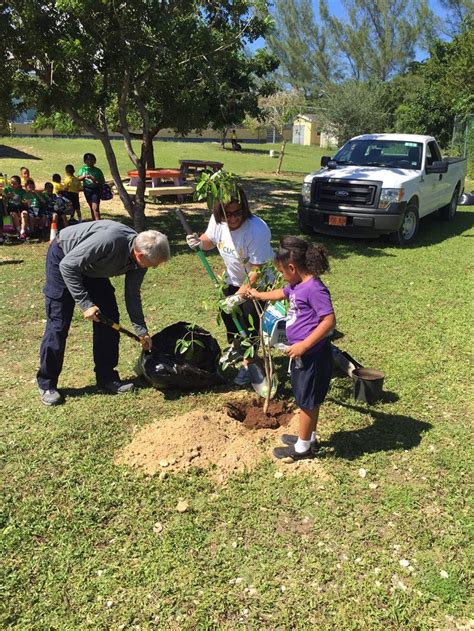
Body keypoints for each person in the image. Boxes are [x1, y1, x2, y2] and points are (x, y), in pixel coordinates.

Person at [36, 220, 170, 406]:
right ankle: (47, 383)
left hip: (93, 268)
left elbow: (132, 295)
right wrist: (85, 304)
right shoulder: (109, 240)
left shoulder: (140, 260)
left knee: (109, 319)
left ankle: (106, 378)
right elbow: (68, 266)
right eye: (152, 264)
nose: (153, 268)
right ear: (139, 255)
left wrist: (141, 331)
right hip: (64, 259)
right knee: (59, 324)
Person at [248, 237, 336, 461]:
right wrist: (258, 295)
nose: (283, 277)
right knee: (308, 399)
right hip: (303, 355)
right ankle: (309, 437)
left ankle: (302, 448)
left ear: (292, 267)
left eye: (282, 271)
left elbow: (328, 320)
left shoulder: (314, 289)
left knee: (307, 402)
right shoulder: (297, 285)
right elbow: (281, 293)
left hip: (312, 356)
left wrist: (304, 345)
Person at [186, 186, 274, 386]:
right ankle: (238, 347)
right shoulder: (218, 221)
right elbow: (210, 240)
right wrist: (198, 242)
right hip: (232, 279)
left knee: (250, 322)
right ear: (219, 212)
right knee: (229, 317)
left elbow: (257, 270)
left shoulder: (256, 229)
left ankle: (248, 362)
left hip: (260, 283)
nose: (233, 218)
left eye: (238, 212)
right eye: (228, 214)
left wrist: (240, 296)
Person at [77, 153, 105, 221]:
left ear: (95, 161)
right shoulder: (83, 169)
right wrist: (84, 176)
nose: (90, 161)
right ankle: (94, 221)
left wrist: (93, 179)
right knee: (91, 207)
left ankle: (98, 223)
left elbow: (102, 182)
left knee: (95, 208)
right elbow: (78, 178)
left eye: (92, 160)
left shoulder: (98, 171)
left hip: (96, 190)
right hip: (87, 190)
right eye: (88, 160)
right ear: (85, 161)